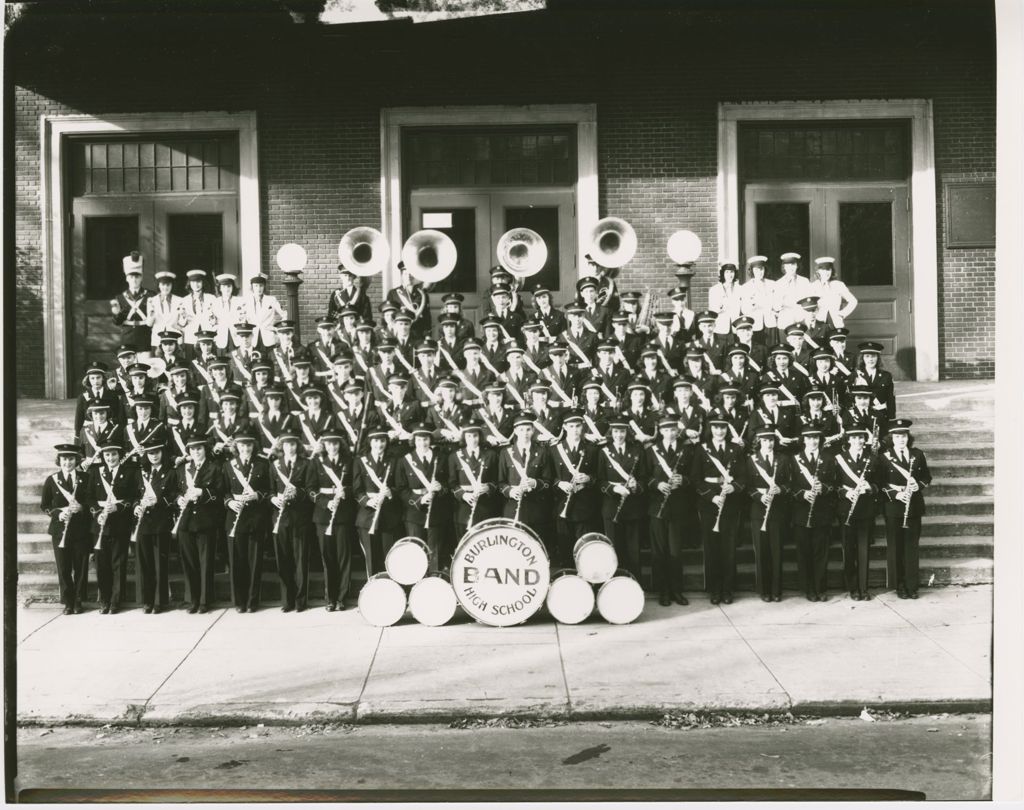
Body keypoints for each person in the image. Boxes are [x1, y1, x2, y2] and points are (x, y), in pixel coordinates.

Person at [692, 415, 746, 604]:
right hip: (709, 504)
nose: (720, 431)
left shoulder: (736, 449)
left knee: (729, 548)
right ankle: (714, 590)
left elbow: (743, 477)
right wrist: (711, 496)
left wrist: (734, 487)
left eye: (723, 427)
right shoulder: (701, 449)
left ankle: (728, 589)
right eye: (716, 427)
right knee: (711, 548)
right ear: (710, 428)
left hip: (730, 503)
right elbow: (696, 479)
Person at [877, 419, 932, 599]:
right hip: (893, 507)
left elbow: (926, 476)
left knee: (911, 547)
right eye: (897, 436)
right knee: (896, 547)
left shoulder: (918, 454)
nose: (901, 439)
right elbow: (879, 483)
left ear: (909, 437)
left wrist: (919, 485)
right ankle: (899, 585)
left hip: (914, 506)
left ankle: (912, 586)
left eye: (904, 436)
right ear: (891, 438)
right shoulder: (884, 457)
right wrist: (895, 494)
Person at [647, 418, 694, 606]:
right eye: (666, 430)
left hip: (678, 507)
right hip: (656, 507)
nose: (670, 433)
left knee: (676, 551)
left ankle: (677, 590)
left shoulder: (687, 449)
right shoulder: (651, 450)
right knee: (660, 551)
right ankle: (663, 591)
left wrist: (684, 480)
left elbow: (694, 476)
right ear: (660, 430)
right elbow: (643, 476)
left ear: (677, 430)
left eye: (673, 429)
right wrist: (657, 484)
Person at [40, 443, 91, 615]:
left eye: (71, 459)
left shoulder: (86, 477)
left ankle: (78, 601)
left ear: (76, 460)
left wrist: (82, 507)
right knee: (63, 567)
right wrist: (57, 514)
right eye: (64, 459)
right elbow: (45, 505)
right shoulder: (52, 480)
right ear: (59, 460)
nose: (67, 463)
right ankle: (68, 602)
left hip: (81, 530)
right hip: (59, 530)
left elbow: (91, 501)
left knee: (80, 567)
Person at [174, 438, 223, 613]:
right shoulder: (182, 469)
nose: (196, 452)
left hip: (205, 520)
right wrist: (179, 499)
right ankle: (192, 599)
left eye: (199, 449)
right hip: (185, 521)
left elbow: (220, 493)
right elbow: (175, 491)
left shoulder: (214, 468)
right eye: (193, 449)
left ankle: (204, 600)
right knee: (189, 562)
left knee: (205, 562)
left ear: (205, 449)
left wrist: (203, 493)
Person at [788, 426, 837, 602]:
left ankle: (820, 588)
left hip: (822, 512)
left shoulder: (828, 458)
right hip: (801, 513)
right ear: (803, 440)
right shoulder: (794, 459)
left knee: (820, 553)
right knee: (804, 553)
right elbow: (789, 486)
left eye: (816, 437)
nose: (813, 441)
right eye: (809, 438)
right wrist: (802, 494)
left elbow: (834, 483)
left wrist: (823, 488)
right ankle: (808, 588)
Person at [306, 430, 353, 611]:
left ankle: (342, 597)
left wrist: (345, 492)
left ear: (340, 444)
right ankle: (330, 598)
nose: (332, 446)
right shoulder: (316, 462)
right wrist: (326, 503)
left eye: (336, 443)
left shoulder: (349, 461)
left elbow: (355, 487)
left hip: (343, 515)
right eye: (329, 443)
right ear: (324, 445)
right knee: (328, 558)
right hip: (323, 515)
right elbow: (310, 489)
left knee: (343, 557)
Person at [746, 426, 794, 602]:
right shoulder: (751, 460)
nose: (768, 444)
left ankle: (776, 590)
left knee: (777, 551)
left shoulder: (783, 458)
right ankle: (764, 590)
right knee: (762, 552)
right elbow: (748, 486)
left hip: (778, 510)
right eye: (765, 440)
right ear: (759, 442)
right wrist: (760, 496)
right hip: (759, 511)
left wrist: (780, 489)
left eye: (771, 440)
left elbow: (790, 483)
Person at [268, 433, 315, 611]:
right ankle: (287, 600)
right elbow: (270, 490)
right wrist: (273, 499)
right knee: (283, 559)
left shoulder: (306, 463)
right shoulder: (274, 465)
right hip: (280, 518)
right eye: (286, 444)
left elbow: (310, 489)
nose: (290, 447)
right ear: (281, 446)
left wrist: (298, 492)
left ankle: (301, 601)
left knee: (300, 560)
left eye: (293, 444)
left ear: (297, 445)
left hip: (300, 517)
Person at [87, 442, 135, 614]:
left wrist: (118, 508)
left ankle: (116, 601)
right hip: (99, 524)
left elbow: (133, 497)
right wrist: (96, 513)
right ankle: (104, 600)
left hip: (120, 523)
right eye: (107, 455)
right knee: (102, 564)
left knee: (118, 563)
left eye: (114, 454)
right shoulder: (95, 472)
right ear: (103, 456)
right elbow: (89, 497)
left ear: (119, 455)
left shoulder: (128, 472)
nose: (110, 458)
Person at [597, 416, 647, 581]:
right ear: (611, 432)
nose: (619, 435)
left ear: (627, 432)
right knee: (614, 548)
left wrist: (635, 485)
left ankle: (634, 583)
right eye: (616, 431)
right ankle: (614, 583)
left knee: (634, 549)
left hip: (632, 507)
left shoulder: (637, 450)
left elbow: (644, 478)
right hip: (611, 507)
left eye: (622, 431)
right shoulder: (604, 451)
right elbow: (599, 481)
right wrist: (613, 488)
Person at [395, 423, 449, 571]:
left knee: (435, 551)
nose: (422, 443)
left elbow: (449, 483)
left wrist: (441, 488)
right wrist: (419, 500)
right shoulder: (405, 460)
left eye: (425, 439)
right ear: (414, 440)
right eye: (419, 439)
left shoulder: (442, 458)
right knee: (416, 551)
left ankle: (433, 583)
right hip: (413, 513)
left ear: (430, 440)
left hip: (437, 511)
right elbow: (401, 489)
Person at [131, 441, 176, 614]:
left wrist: (159, 501)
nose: (154, 456)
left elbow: (173, 497)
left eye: (157, 452)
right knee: (145, 564)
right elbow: (134, 495)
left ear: (162, 453)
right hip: (143, 524)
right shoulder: (141, 473)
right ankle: (146, 600)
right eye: (150, 453)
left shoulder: (170, 473)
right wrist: (136, 505)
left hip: (161, 523)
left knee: (159, 563)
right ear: (146, 456)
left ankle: (159, 601)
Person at [550, 411, 600, 567]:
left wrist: (589, 479)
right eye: (571, 426)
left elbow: (599, 476)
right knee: (565, 548)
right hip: (561, 505)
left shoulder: (592, 449)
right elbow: (547, 477)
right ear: (564, 427)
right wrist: (559, 483)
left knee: (584, 549)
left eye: (578, 426)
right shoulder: (554, 450)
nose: (575, 430)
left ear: (582, 427)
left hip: (584, 507)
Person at [834, 428, 878, 601]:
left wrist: (870, 488)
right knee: (849, 551)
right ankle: (852, 588)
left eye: (861, 437)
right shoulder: (839, 459)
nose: (858, 441)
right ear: (848, 439)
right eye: (854, 437)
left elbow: (879, 484)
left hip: (866, 510)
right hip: (846, 510)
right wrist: (845, 493)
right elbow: (834, 484)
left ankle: (863, 587)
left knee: (863, 551)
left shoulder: (873, 459)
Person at [498, 412, 555, 542]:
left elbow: (548, 481)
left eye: (528, 429)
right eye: (521, 429)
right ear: (515, 431)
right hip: (513, 509)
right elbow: (500, 483)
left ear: (533, 430)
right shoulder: (506, 452)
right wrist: (510, 491)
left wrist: (535, 483)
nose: (525, 433)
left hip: (536, 509)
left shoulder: (542, 452)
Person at [353, 428, 400, 576]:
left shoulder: (394, 460)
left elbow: (401, 486)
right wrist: (367, 501)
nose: (379, 444)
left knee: (389, 557)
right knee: (371, 559)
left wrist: (391, 492)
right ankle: (373, 593)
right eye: (375, 441)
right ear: (370, 442)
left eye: (382, 441)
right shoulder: (360, 461)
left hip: (388, 515)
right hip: (367, 516)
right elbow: (356, 489)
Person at [448, 420, 499, 549]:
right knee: (465, 546)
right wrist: (463, 495)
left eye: (475, 435)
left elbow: (497, 481)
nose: (472, 439)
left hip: (485, 507)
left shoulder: (491, 455)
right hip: (463, 508)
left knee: (486, 545)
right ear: (464, 437)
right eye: (469, 436)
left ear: (480, 436)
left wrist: (488, 487)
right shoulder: (455, 456)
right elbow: (452, 483)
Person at [110, 251, 155, 358]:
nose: (134, 280)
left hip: (145, 337)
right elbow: (117, 322)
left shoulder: (151, 295)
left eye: (137, 277)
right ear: (126, 278)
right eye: (131, 277)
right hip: (128, 338)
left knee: (146, 369)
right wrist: (116, 313)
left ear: (141, 278)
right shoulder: (120, 298)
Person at [241, 272, 287, 351]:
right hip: (253, 338)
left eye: (261, 286)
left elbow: (284, 314)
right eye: (256, 286)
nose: (259, 288)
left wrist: (279, 330)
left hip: (269, 338)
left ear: (264, 287)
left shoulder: (271, 300)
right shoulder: (246, 302)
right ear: (252, 287)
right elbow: (242, 318)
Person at [808, 257, 858, 330]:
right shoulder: (813, 286)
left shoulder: (838, 285)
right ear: (818, 271)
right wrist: (812, 317)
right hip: (818, 324)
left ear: (832, 271)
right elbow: (808, 305)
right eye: (823, 269)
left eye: (828, 269)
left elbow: (853, 301)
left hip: (836, 323)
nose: (826, 272)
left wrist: (842, 313)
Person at [74, 361, 123, 435]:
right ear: (88, 380)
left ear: (103, 378)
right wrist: (77, 435)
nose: (96, 381)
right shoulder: (83, 397)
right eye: (92, 378)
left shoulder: (112, 395)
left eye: (98, 377)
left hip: (109, 431)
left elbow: (117, 416)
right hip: (90, 432)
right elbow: (79, 419)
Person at [386, 263, 431, 340]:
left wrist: (427, 335)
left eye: (411, 273)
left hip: (418, 333)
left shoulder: (422, 293)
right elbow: (389, 315)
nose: (409, 276)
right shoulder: (393, 293)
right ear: (402, 275)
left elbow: (427, 317)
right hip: (399, 333)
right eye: (406, 273)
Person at [853, 341, 896, 421]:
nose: (870, 359)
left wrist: (891, 417)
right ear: (863, 358)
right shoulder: (855, 375)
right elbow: (850, 397)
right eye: (867, 356)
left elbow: (890, 398)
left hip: (880, 414)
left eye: (873, 356)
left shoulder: (886, 376)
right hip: (861, 415)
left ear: (878, 358)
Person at [178, 269, 216, 360]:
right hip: (191, 338)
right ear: (189, 284)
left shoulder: (211, 298)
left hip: (207, 337)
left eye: (198, 281)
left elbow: (216, 320)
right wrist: (183, 317)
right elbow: (181, 323)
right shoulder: (184, 300)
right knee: (192, 364)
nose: (196, 284)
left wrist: (213, 319)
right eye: (193, 282)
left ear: (203, 283)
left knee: (209, 362)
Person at [771, 252, 812, 335]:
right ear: (784, 267)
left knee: (802, 347)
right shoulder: (778, 283)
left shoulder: (805, 281)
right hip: (785, 322)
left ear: (797, 266)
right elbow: (776, 306)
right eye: (787, 265)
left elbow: (809, 303)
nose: (790, 267)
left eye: (793, 264)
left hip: (802, 321)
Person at [740, 256, 776, 345]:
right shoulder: (746, 287)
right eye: (756, 270)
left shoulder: (772, 284)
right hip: (755, 323)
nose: (759, 272)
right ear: (751, 271)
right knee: (757, 349)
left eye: (761, 269)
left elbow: (776, 303)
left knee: (771, 349)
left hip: (770, 323)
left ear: (765, 270)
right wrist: (752, 306)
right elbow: (744, 309)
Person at [147, 270, 184, 352]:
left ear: (172, 286)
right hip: (158, 340)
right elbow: (149, 324)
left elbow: (182, 323)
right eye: (163, 284)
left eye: (168, 285)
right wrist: (151, 315)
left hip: (175, 340)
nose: (165, 287)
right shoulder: (152, 301)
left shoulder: (180, 300)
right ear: (159, 285)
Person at [79, 403, 122, 474]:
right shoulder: (85, 430)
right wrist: (83, 462)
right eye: (95, 413)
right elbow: (80, 451)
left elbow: (121, 451)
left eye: (102, 413)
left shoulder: (115, 430)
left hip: (108, 468)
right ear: (91, 414)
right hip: (89, 469)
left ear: (107, 414)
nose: (99, 416)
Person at [206, 273, 244, 352]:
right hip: (221, 337)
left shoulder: (239, 301)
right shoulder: (214, 302)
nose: (226, 289)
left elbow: (243, 318)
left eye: (229, 286)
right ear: (220, 288)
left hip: (236, 338)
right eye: (223, 286)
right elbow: (210, 321)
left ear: (233, 287)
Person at [708, 262, 744, 337]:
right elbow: (713, 310)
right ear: (722, 274)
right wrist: (722, 307)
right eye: (727, 272)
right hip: (720, 328)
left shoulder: (740, 289)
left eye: (732, 272)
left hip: (736, 328)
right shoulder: (714, 290)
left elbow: (743, 308)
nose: (730, 275)